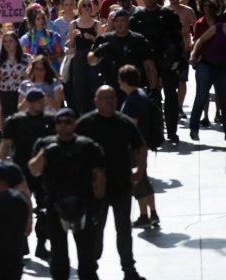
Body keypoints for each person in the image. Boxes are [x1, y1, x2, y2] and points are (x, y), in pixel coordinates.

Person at [76, 86, 147, 280]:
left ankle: (129, 270)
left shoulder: (123, 122)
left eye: (112, 97)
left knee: (124, 230)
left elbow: (140, 146)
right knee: (95, 231)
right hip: (95, 189)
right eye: (104, 98)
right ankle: (91, 268)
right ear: (95, 101)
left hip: (121, 185)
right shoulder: (85, 124)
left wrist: (139, 170)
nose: (109, 101)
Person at [29, 108, 106, 280]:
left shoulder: (87, 146)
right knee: (58, 254)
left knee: (86, 254)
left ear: (74, 123)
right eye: (60, 122)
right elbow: (34, 170)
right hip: (55, 204)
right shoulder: (45, 144)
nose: (64, 126)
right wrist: (45, 152)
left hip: (83, 203)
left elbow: (99, 175)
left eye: (68, 122)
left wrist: (97, 203)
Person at [0, 89, 55, 260]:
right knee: (19, 210)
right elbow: (5, 145)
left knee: (45, 210)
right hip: (20, 171)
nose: (43, 104)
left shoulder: (50, 121)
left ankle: (41, 244)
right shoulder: (15, 122)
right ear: (30, 103)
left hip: (42, 172)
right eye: (39, 102)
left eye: (43, 101)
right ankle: (21, 245)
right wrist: (1, 167)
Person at [130, 0, 184, 143]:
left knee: (171, 97)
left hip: (166, 61)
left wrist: (179, 59)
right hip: (147, 63)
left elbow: (178, 37)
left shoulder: (167, 14)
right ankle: (156, 131)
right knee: (152, 98)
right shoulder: (137, 17)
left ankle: (172, 131)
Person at [118, 66, 160, 228]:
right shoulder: (141, 95)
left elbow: (132, 125)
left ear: (124, 80)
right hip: (142, 144)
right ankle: (153, 213)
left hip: (134, 147)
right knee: (144, 180)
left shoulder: (133, 100)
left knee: (138, 181)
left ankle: (144, 215)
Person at [88, 10, 159, 105]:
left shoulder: (138, 40)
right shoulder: (104, 39)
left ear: (128, 21)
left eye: (122, 20)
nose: (119, 24)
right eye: (116, 21)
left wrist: (154, 88)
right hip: (111, 88)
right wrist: (97, 53)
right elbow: (91, 61)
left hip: (134, 88)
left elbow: (149, 66)